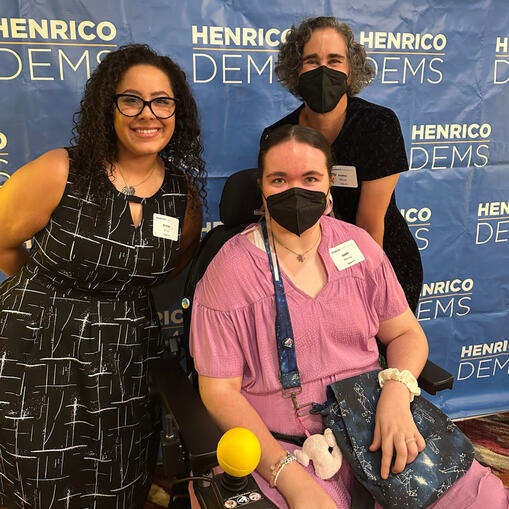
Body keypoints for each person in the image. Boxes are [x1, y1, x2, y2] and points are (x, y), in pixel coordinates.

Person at [190, 125, 508, 509]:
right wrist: (287, 476)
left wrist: (397, 392)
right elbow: (220, 391)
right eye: (279, 179)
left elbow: (405, 333)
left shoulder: (357, 246)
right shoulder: (230, 272)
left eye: (310, 178)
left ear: (329, 185)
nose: (296, 191)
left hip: (376, 421)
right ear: (262, 188)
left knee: (486, 498)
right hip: (285, 446)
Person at [0, 44, 205, 508]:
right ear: (107, 108)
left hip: (126, 361)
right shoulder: (61, 170)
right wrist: (51, 295)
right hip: (38, 353)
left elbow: (170, 265)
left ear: (177, 112)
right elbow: (3, 240)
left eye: (162, 101)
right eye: (131, 100)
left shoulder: (182, 195)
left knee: (118, 478)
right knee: (40, 480)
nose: (147, 114)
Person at [261, 16, 422, 312]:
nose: (323, 71)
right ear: (296, 70)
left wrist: (364, 294)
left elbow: (369, 224)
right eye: (311, 61)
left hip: (380, 260)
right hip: (308, 269)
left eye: (334, 60)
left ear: (350, 70)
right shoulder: (278, 136)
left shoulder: (378, 125)